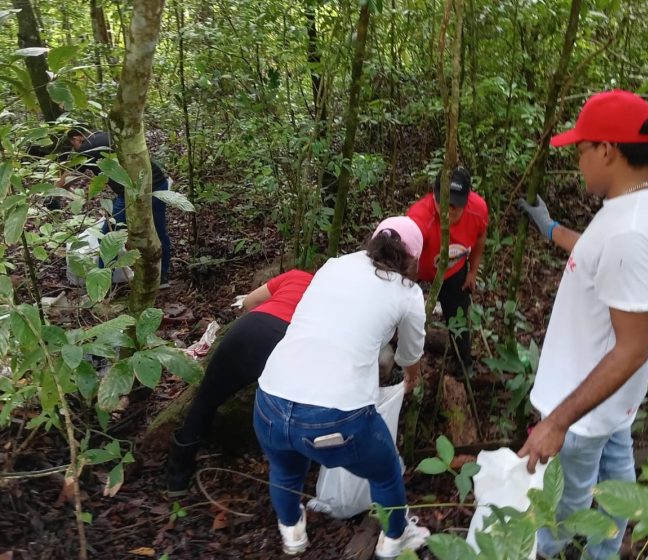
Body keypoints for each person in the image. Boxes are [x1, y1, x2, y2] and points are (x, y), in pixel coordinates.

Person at [515, 90, 648, 559]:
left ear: (607, 149)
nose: (578, 161)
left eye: (581, 149)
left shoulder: (632, 232)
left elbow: (631, 349)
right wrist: (551, 229)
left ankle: (546, 552)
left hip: (582, 410)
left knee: (563, 499)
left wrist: (557, 423)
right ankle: (606, 551)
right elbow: (600, 255)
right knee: (617, 475)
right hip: (612, 404)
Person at [255, 216, 430, 558]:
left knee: (285, 469)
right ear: (412, 259)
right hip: (336, 419)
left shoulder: (335, 265)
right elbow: (411, 351)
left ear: (374, 241)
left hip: (270, 400)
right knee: (385, 471)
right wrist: (412, 378)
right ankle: (395, 539)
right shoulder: (408, 293)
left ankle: (292, 534)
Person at [166, 269, 314, 496]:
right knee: (293, 410)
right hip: (291, 342)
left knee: (206, 399)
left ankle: (177, 477)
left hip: (252, 327)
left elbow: (250, 302)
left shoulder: (296, 275)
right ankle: (291, 481)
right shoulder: (332, 294)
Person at [61, 129, 172, 286]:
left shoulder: (86, 149)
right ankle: (163, 276)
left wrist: (52, 191)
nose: (75, 149)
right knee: (159, 230)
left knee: (108, 235)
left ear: (76, 138)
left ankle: (103, 285)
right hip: (158, 182)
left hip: (133, 192)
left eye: (73, 145)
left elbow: (64, 182)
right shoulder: (106, 134)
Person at [407, 166, 488, 372]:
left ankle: (463, 366)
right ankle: (403, 363)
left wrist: (472, 272)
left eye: (455, 205)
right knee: (404, 316)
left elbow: (480, 238)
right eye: (443, 202)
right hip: (417, 271)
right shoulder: (419, 217)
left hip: (454, 270)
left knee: (459, 318)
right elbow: (405, 256)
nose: (449, 209)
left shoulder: (477, 210)